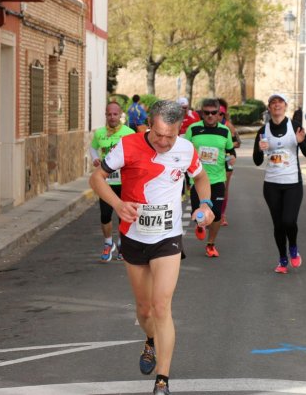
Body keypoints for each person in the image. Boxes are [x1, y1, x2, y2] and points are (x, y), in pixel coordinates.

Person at [89, 100, 214, 395]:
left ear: (178, 130)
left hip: (167, 238)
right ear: (149, 124)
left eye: (170, 136)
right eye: (158, 135)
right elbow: (96, 179)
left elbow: (201, 177)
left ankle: (163, 380)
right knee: (145, 311)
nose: (164, 142)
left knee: (161, 306)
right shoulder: (127, 145)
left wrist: (206, 204)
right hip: (134, 236)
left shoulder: (185, 149)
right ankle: (150, 341)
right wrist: (118, 204)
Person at [253, 93, 306, 274]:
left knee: (289, 221)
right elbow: (256, 161)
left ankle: (293, 246)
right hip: (271, 184)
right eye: (273, 103)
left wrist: (301, 143)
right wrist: (260, 150)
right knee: (278, 225)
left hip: (293, 182)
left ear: (285, 106)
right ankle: (282, 259)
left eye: (280, 102)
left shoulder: (295, 127)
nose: (276, 105)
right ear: (269, 108)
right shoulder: (263, 131)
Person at [185, 98, 236, 257]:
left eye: (214, 113)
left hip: (217, 179)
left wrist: (232, 159)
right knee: (197, 213)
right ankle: (200, 225)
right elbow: (184, 151)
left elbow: (230, 151)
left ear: (219, 114)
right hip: (197, 179)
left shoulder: (224, 131)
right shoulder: (193, 129)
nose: (210, 116)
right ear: (201, 113)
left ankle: (211, 244)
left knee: (217, 215)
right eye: (206, 113)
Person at [90, 102, 136, 262]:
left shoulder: (129, 133)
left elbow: (136, 153)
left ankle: (122, 244)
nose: (112, 117)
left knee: (123, 215)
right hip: (106, 182)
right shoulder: (100, 133)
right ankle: (108, 243)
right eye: (109, 114)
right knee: (105, 215)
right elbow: (93, 147)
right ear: (106, 115)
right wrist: (95, 158)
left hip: (125, 182)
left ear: (120, 115)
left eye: (115, 114)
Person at [216, 99, 241, 227]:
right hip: (213, 160)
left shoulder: (228, 126)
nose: (217, 116)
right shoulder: (205, 126)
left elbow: (238, 142)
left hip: (227, 157)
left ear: (224, 114)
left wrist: (228, 145)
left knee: (224, 187)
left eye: (220, 114)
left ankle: (222, 214)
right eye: (215, 112)